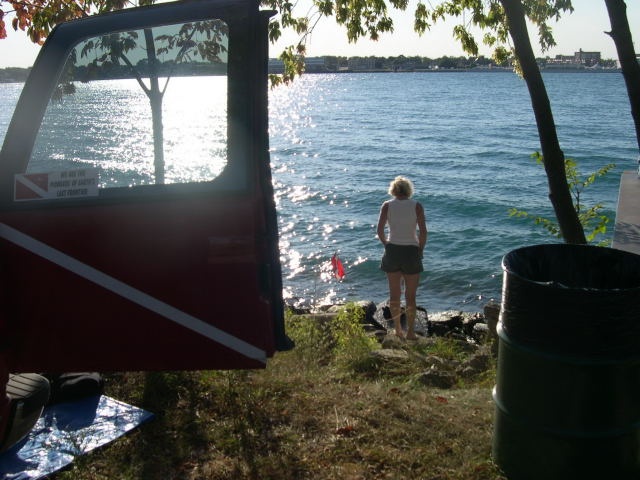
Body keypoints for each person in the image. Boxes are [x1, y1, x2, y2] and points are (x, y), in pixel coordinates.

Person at [376, 176, 428, 340]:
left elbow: (379, 231)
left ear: (393, 190)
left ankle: (398, 330)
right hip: (411, 251)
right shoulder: (416, 206)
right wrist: (420, 250)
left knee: (394, 295)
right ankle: (411, 332)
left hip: (393, 251)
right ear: (408, 190)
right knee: (410, 296)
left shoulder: (387, 205)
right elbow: (423, 232)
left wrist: (387, 245)